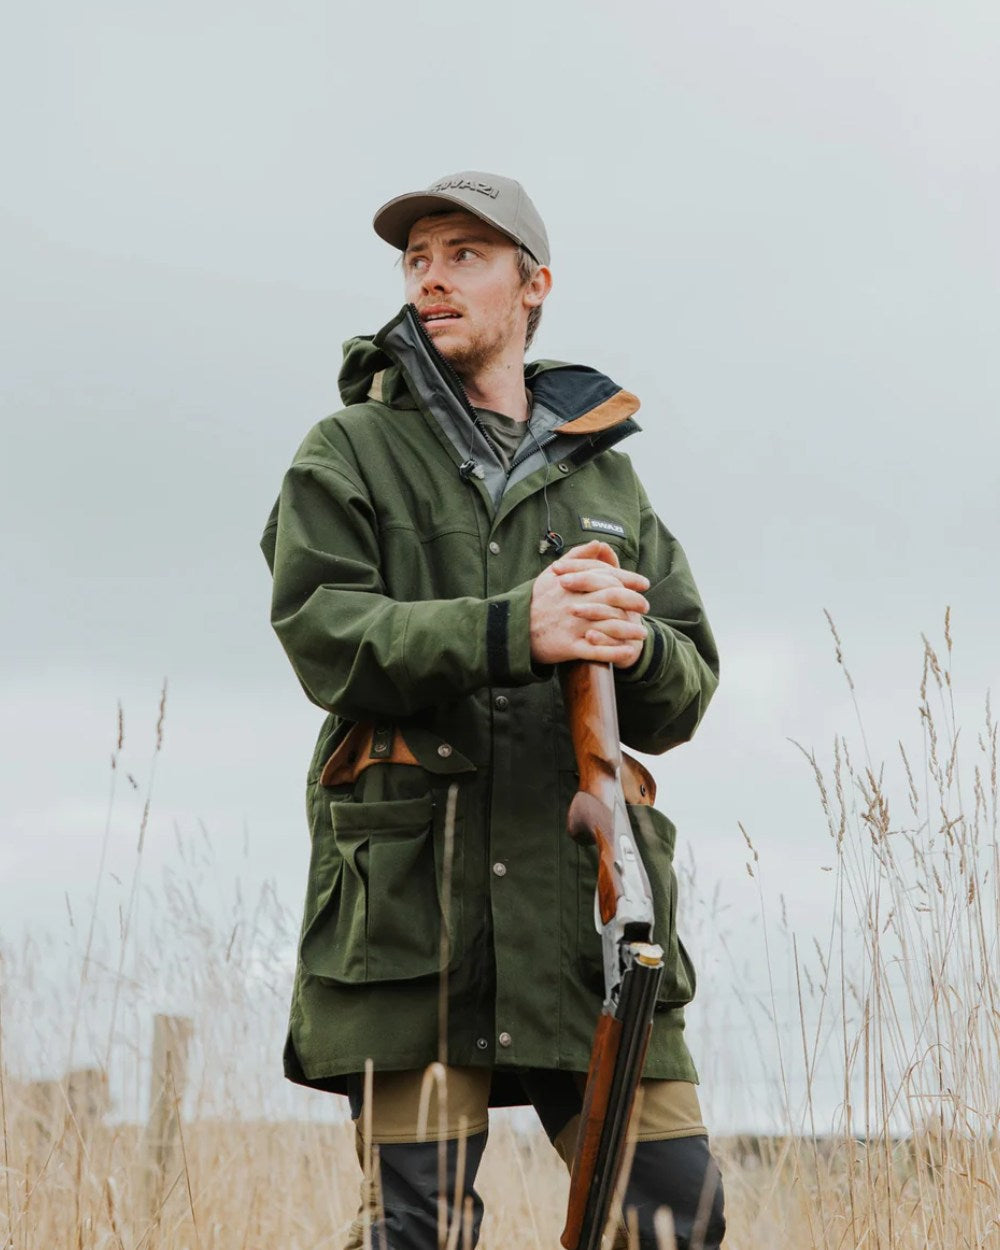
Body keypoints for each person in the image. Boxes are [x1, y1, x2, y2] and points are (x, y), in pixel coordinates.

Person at [261, 170, 725, 1249]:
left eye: (464, 255)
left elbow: (686, 685)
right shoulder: (348, 451)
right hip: (410, 918)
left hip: (586, 919)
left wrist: (634, 644)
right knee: (418, 1230)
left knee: (675, 1218)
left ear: (533, 285)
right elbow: (325, 635)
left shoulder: (608, 481)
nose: (432, 278)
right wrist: (518, 627)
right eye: (417, 259)